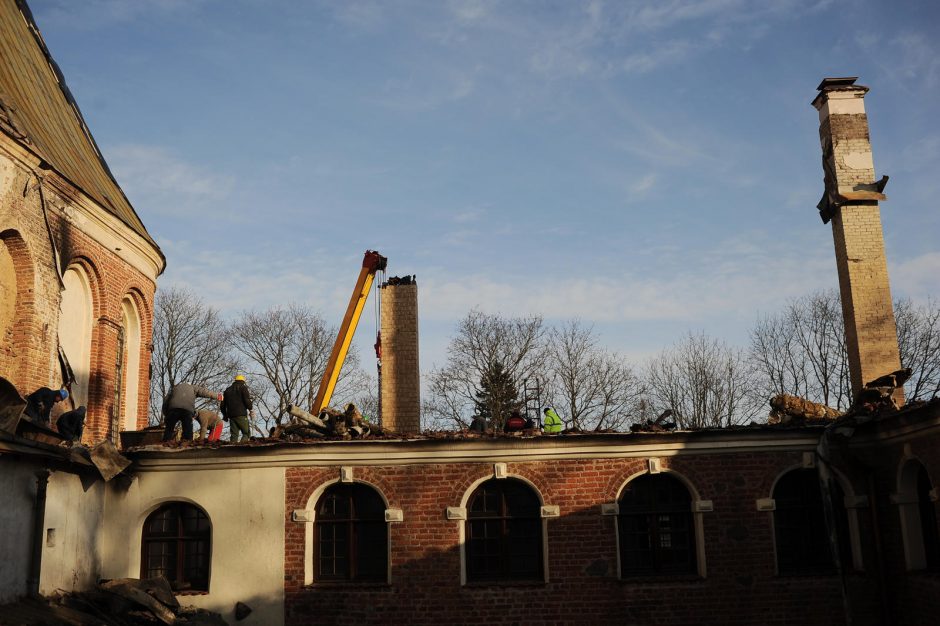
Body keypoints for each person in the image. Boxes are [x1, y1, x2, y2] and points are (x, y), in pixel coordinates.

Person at [221, 375, 253, 443]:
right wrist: (251, 409)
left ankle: (232, 450)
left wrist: (225, 415)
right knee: (246, 433)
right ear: (243, 381)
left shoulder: (227, 390)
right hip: (241, 415)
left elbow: (222, 405)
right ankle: (241, 448)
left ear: (235, 381)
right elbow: (246, 400)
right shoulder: (243, 388)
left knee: (234, 435)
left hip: (231, 416)